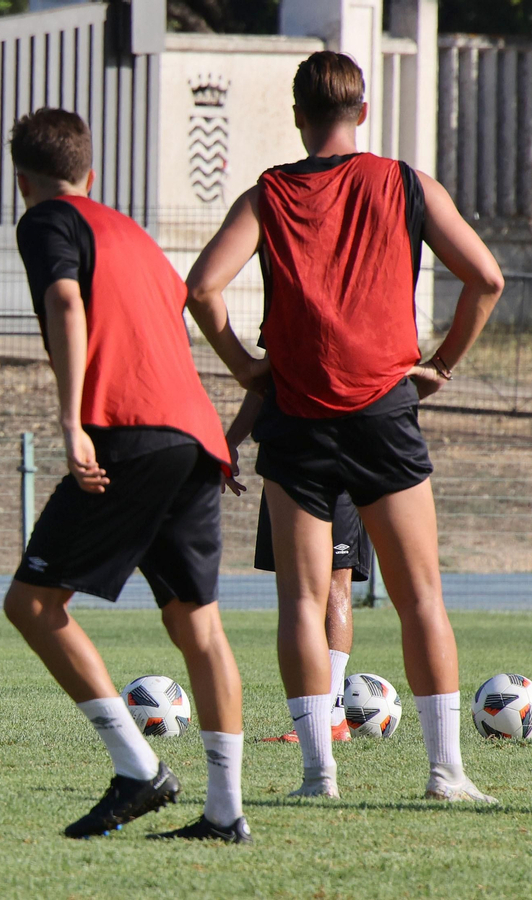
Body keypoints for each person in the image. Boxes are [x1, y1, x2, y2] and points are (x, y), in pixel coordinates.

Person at [186, 51, 504, 801]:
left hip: (296, 416)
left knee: (300, 600)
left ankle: (315, 775)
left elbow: (201, 288)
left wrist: (245, 369)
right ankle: (445, 772)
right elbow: (485, 278)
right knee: (418, 593)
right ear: (362, 113)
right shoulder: (404, 184)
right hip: (384, 411)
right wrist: (442, 363)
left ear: (298, 116)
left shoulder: (269, 194)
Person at [4, 108, 249, 843]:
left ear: (22, 182)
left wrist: (73, 419)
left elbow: (67, 300)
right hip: (195, 439)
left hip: (129, 433)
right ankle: (225, 812)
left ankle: (139, 769)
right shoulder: (135, 234)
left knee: (34, 605)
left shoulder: (48, 220)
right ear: (93, 173)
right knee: (195, 624)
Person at [224, 393, 371, 744]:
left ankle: (328, 718)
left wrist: (230, 440)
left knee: (334, 584)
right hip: (286, 453)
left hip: (340, 447)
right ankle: (324, 720)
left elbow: (258, 375)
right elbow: (266, 376)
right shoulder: (280, 335)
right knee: (298, 591)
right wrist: (228, 441)